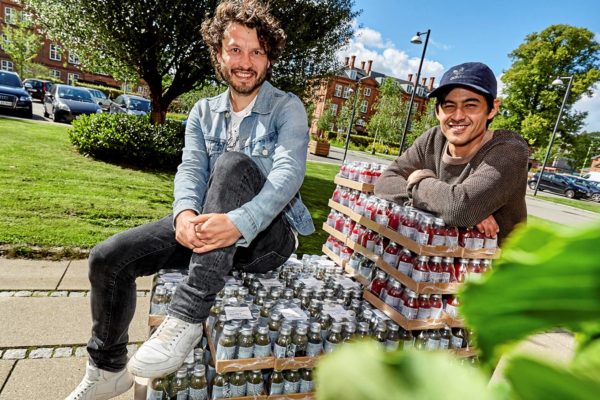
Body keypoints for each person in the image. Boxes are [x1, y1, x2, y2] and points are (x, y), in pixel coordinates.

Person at [65, 1, 314, 399]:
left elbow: (287, 178)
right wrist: (184, 214)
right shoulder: (202, 112)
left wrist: (238, 223)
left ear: (268, 59)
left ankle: (186, 315)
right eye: (235, 49)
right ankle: (107, 370)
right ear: (218, 53)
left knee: (232, 165)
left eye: (257, 52)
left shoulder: (287, 108)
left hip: (267, 240)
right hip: (211, 229)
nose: (245, 62)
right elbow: (192, 170)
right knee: (108, 258)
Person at [375, 62, 528, 243]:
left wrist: (418, 178)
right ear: (438, 111)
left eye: (470, 105)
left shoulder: (509, 150)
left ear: (492, 109)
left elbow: (459, 209)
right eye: (449, 106)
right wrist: (448, 207)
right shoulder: (433, 139)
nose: (458, 116)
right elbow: (384, 183)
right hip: (436, 262)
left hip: (494, 267)